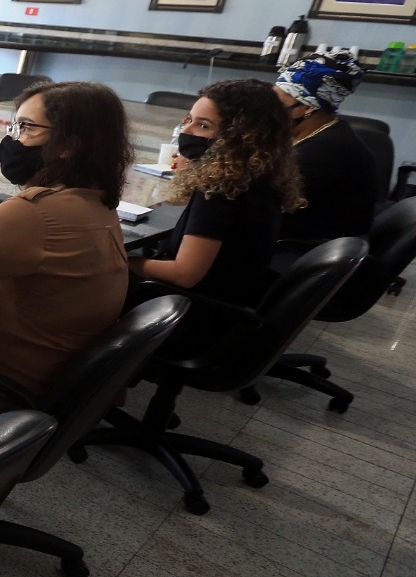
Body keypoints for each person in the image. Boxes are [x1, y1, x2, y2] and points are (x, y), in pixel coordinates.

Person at [0, 81, 132, 422]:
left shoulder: (35, 213)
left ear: (68, 145)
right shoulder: (98, 201)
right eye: (15, 125)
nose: (13, 138)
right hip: (43, 384)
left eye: (26, 127)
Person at [131, 79, 303, 354]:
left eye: (203, 126)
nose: (186, 131)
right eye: (189, 120)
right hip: (227, 307)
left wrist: (123, 261)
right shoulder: (258, 175)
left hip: (190, 317)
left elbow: (184, 274)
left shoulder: (222, 190)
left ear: (239, 137)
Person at [274, 53, 380, 243]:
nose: (271, 111)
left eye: (278, 105)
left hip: (311, 247)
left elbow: (271, 206)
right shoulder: (323, 132)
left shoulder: (323, 151)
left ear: (308, 107)